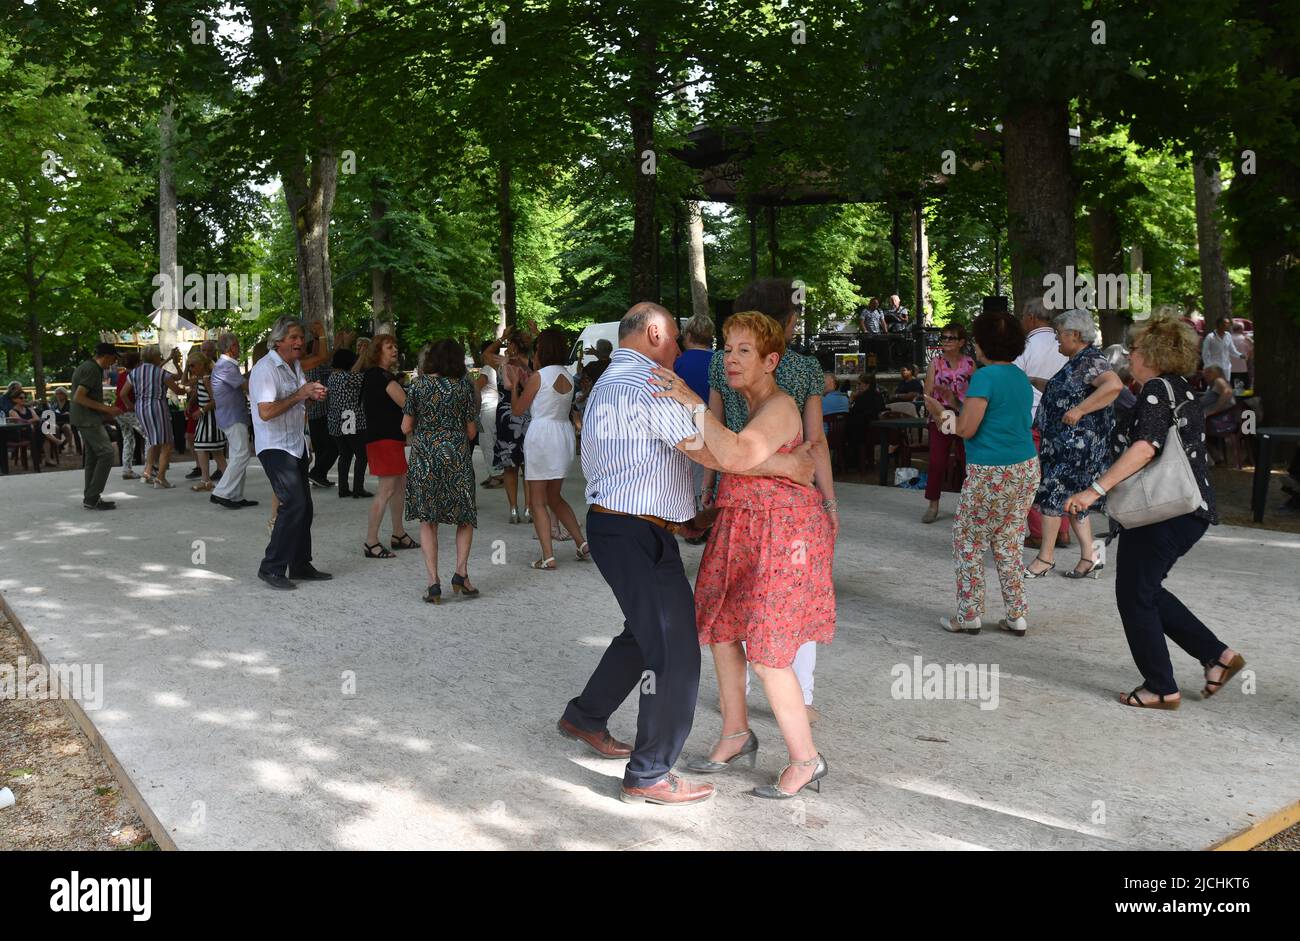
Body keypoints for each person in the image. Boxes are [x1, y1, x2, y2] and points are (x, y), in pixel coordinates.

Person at [559, 302, 814, 806]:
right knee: (674, 653)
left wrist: (684, 518)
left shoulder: (611, 380)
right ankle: (649, 773)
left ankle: (585, 716)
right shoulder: (651, 383)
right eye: (674, 340)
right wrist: (787, 469)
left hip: (623, 527)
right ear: (654, 333)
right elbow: (719, 453)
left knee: (642, 631)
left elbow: (640, 460)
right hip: (634, 533)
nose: (678, 350)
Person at [653, 311, 835, 799]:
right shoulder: (744, 404)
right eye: (727, 349)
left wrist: (691, 402)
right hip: (744, 524)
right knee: (720, 626)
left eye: (744, 351)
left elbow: (731, 455)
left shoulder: (779, 406)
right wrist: (783, 464)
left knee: (769, 650)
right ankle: (736, 733)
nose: (730, 359)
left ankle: (806, 759)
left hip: (782, 531)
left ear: (771, 360)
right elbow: (715, 453)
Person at [1064, 317, 1245, 708]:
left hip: (1162, 512)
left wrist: (1094, 490)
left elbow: (1146, 447)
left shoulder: (1155, 390)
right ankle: (1217, 657)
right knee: (1145, 590)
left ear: (1155, 355)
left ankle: (1161, 687)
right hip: (1189, 509)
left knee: (1134, 595)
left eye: (1137, 350)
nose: (1131, 356)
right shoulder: (1180, 390)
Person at [701, 277, 837, 718]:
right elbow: (815, 443)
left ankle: (732, 704)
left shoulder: (723, 366)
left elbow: (715, 432)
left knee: (733, 600)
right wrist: (829, 501)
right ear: (789, 318)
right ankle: (804, 697)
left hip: (739, 496)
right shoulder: (804, 369)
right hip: (785, 500)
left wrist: (709, 486)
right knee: (787, 601)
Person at [924, 309, 1039, 637]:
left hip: (991, 471)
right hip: (1026, 467)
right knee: (1009, 540)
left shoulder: (984, 378)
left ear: (983, 343)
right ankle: (1017, 614)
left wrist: (940, 412)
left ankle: (969, 614)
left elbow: (965, 429)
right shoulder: (1019, 377)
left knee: (968, 541)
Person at [1025, 310, 1122, 580]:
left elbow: (1114, 385)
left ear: (1076, 335)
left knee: (1052, 496)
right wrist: (1035, 381)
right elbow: (1064, 393)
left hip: (1074, 447)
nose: (1057, 339)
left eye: (1060, 334)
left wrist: (1080, 410)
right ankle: (1090, 558)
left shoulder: (1091, 360)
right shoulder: (1077, 361)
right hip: (1067, 446)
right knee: (1074, 500)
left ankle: (1045, 558)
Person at [249, 317, 330, 589]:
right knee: (293, 504)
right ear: (278, 340)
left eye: (301, 337)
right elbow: (266, 412)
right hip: (275, 446)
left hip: (295, 444)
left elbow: (299, 393)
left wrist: (311, 393)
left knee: (304, 506)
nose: (299, 342)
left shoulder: (294, 365)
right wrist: (299, 395)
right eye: (293, 337)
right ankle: (271, 567)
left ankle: (299, 564)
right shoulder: (265, 370)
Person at [403, 339, 480, 604]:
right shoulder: (462, 387)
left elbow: (405, 427)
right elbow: (471, 432)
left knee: (428, 520)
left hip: (425, 458)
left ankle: (433, 583)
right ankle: (461, 574)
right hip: (456, 457)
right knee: (464, 517)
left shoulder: (418, 386)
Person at [513, 328, 587, 569]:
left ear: (541, 350)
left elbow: (517, 409)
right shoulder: (566, 375)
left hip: (542, 436)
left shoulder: (539, 376)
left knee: (537, 501)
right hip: (562, 434)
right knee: (555, 496)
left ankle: (548, 555)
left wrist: (515, 386)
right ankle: (581, 542)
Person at [1015, 297, 1070, 548]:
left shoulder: (1025, 346)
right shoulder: (1066, 342)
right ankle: (1064, 530)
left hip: (1033, 416)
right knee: (1060, 475)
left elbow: (1014, 381)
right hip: (1065, 417)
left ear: (1031, 317)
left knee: (1033, 476)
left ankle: (1038, 532)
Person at [358, 334, 418, 558]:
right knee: (386, 490)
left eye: (395, 345)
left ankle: (398, 533)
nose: (394, 350)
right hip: (384, 440)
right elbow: (407, 403)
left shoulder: (379, 375)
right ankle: (371, 541)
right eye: (389, 347)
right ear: (378, 352)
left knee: (399, 486)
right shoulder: (380, 376)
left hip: (388, 438)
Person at [921, 322, 975, 523]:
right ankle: (933, 505)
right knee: (937, 461)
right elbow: (927, 393)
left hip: (963, 415)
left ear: (961, 342)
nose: (945, 341)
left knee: (968, 462)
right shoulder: (935, 363)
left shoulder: (970, 363)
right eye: (943, 337)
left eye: (951, 338)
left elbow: (976, 392)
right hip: (941, 415)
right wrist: (935, 414)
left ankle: (969, 506)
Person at [123, 346, 187, 488]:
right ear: (155, 358)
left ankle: (147, 472)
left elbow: (122, 393)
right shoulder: (161, 373)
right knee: (167, 444)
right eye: (160, 356)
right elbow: (177, 389)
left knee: (153, 441)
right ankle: (160, 478)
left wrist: (131, 405)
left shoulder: (134, 373)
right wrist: (188, 389)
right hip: (157, 407)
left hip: (140, 408)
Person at [208, 333, 259, 510]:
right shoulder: (226, 367)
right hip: (232, 416)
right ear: (230, 348)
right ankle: (222, 492)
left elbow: (243, 382)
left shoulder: (225, 366)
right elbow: (246, 385)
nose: (239, 348)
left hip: (232, 415)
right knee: (241, 455)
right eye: (237, 345)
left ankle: (235, 496)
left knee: (239, 454)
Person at [69, 346, 121, 508]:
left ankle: (90, 498)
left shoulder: (89, 367)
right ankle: (92, 496)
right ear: (106, 356)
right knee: (106, 453)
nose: (114, 363)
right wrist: (107, 409)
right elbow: (79, 397)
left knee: (93, 457)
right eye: (114, 359)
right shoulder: (92, 369)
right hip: (88, 419)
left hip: (85, 418)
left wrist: (103, 410)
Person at [674, 314, 715, 513]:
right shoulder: (721, 361)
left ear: (688, 335)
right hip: (716, 423)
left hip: (688, 422)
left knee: (690, 471)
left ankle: (692, 515)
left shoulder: (678, 364)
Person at [494, 330, 533, 524]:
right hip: (526, 414)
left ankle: (514, 509)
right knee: (526, 464)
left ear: (515, 346)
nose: (507, 346)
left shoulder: (502, 364)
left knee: (511, 465)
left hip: (506, 415)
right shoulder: (530, 365)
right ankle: (526, 509)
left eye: (510, 343)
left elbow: (508, 386)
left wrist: (500, 339)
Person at [182, 352, 228, 492]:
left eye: (193, 366)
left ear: (202, 365)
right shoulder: (202, 378)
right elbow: (184, 383)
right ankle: (209, 480)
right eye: (190, 367)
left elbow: (216, 400)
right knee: (212, 451)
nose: (191, 369)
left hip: (210, 419)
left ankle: (210, 480)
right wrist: (186, 367)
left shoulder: (207, 379)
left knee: (209, 450)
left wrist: (201, 410)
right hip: (207, 419)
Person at [326, 348, 369, 498]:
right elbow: (357, 376)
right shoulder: (349, 377)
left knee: (345, 454)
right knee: (362, 455)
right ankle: (358, 488)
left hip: (334, 419)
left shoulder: (332, 377)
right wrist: (363, 354)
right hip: (350, 419)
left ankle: (343, 488)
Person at [305, 337, 339, 489]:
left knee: (320, 448)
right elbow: (332, 365)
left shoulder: (305, 365)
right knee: (333, 447)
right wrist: (339, 345)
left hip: (311, 415)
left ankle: (320, 476)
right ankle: (317, 473)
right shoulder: (317, 366)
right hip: (320, 414)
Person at [472, 339, 503, 489]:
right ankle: (494, 473)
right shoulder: (498, 367)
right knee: (491, 441)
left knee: (487, 442)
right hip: (494, 407)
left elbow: (477, 387)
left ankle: (496, 474)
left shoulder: (486, 368)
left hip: (488, 409)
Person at [1199, 365, 1240, 465]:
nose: (1205, 376)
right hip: (1213, 420)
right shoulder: (1214, 385)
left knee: (1191, 429)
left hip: (1220, 421)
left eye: (1208, 373)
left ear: (1215, 373)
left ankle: (1209, 460)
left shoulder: (1219, 380)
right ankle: (1215, 458)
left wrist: (1213, 411)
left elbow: (1227, 392)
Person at [114, 351, 144, 480]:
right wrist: (130, 405)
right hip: (129, 411)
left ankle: (127, 469)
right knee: (149, 435)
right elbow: (123, 394)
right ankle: (151, 467)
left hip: (119, 411)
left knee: (128, 438)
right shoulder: (135, 375)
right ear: (138, 363)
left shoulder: (121, 375)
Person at [1228, 323, 1253, 389]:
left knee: (1231, 387)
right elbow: (1251, 352)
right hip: (1242, 368)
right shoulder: (1245, 339)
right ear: (1241, 329)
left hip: (1229, 368)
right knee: (1240, 389)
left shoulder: (1227, 339)